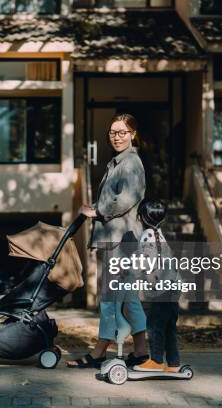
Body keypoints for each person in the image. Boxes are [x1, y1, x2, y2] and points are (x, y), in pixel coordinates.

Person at [67, 113, 148, 369]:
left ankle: (99, 352)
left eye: (122, 132)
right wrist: (94, 207)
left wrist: (98, 212)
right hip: (118, 238)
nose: (117, 137)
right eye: (113, 132)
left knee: (110, 297)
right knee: (129, 298)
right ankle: (142, 352)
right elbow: (114, 198)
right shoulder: (117, 163)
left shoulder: (131, 163)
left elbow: (126, 199)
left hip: (118, 241)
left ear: (133, 134)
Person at [133, 200, 181, 373]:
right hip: (173, 287)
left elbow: (146, 262)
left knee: (154, 325)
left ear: (140, 217)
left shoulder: (147, 235)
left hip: (163, 288)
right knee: (169, 327)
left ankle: (156, 361)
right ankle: (174, 363)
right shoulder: (159, 234)